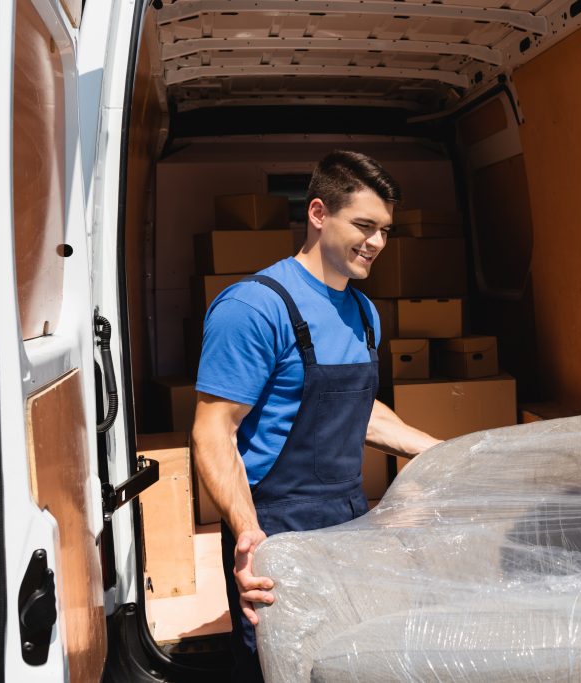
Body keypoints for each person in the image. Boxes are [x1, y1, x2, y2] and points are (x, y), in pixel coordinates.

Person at [191, 150, 442, 681]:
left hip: (349, 518)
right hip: (276, 528)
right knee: (281, 668)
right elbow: (214, 432)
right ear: (319, 213)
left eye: (385, 231)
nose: (376, 243)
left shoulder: (363, 310)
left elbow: (357, 409)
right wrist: (247, 536)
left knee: (347, 659)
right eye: (364, 226)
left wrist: (443, 454)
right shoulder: (255, 307)